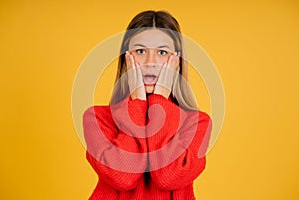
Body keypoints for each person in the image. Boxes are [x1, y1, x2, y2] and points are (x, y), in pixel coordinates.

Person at [83, 10, 212, 200]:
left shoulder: (197, 123)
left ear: (176, 61)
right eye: (141, 51)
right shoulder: (97, 118)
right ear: (126, 59)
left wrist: (159, 101)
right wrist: (137, 106)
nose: (150, 63)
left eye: (162, 52)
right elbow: (122, 178)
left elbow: (168, 178)